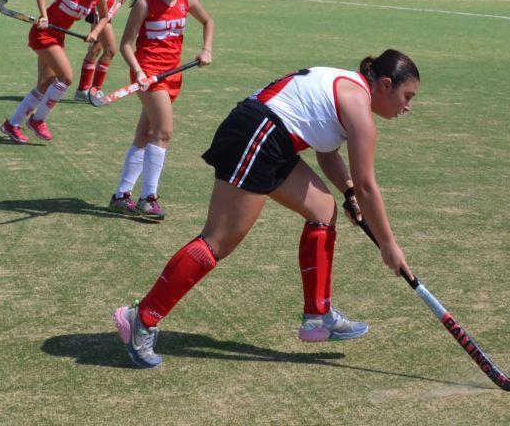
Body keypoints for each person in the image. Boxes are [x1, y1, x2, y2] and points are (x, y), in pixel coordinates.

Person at [113, 49, 420, 368]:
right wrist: (388, 244)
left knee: (323, 210)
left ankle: (318, 316)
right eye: (407, 96)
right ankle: (142, 318)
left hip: (270, 136)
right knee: (219, 240)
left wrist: (349, 192)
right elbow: (369, 186)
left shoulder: (351, 89)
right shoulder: (359, 108)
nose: (407, 107)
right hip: (259, 133)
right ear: (385, 85)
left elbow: (327, 152)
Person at [107, 0, 214, 218]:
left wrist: (206, 49)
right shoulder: (145, 3)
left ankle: (122, 194)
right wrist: (139, 72)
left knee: (145, 135)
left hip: (172, 74)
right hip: (148, 75)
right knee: (164, 132)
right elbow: (126, 45)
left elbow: (208, 21)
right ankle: (148, 197)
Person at [0, 0, 113, 144]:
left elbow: (105, 17)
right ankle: (38, 120)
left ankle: (12, 124)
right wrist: (44, 16)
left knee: (45, 84)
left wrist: (94, 32)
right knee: (66, 77)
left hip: (58, 37)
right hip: (43, 34)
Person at [75, 0, 128, 102]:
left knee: (96, 49)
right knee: (110, 50)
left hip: (104, 9)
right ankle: (95, 90)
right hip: (99, 10)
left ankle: (82, 90)